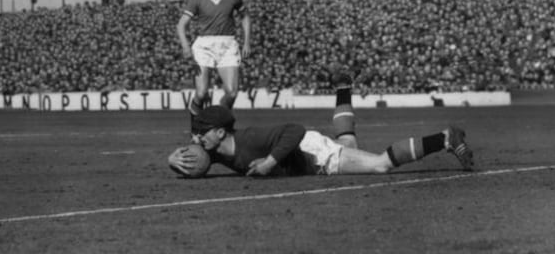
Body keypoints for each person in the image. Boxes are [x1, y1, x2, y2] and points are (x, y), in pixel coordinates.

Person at [169, 73, 474, 177]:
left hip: (313, 151)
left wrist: (269, 162)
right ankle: (343, 86)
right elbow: (192, 157)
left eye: (201, 132)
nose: (196, 137)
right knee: (349, 144)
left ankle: (446, 138)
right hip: (309, 151)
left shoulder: (251, 138)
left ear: (220, 132)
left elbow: (295, 130)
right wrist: (172, 159)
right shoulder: (217, 149)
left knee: (380, 165)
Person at [176, 0, 251, 116]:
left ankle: (217, 119)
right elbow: (181, 25)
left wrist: (246, 42)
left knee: (231, 93)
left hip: (228, 43)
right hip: (204, 45)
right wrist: (185, 46)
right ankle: (196, 127)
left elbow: (245, 17)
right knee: (202, 93)